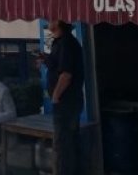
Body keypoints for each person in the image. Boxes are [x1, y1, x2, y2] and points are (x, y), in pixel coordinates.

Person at [45, 19, 85, 175]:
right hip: (67, 102)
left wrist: (55, 96)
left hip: (66, 102)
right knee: (67, 143)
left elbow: (66, 74)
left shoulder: (67, 43)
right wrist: (46, 60)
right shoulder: (59, 42)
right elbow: (57, 65)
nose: (48, 21)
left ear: (58, 23)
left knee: (63, 146)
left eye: (51, 19)